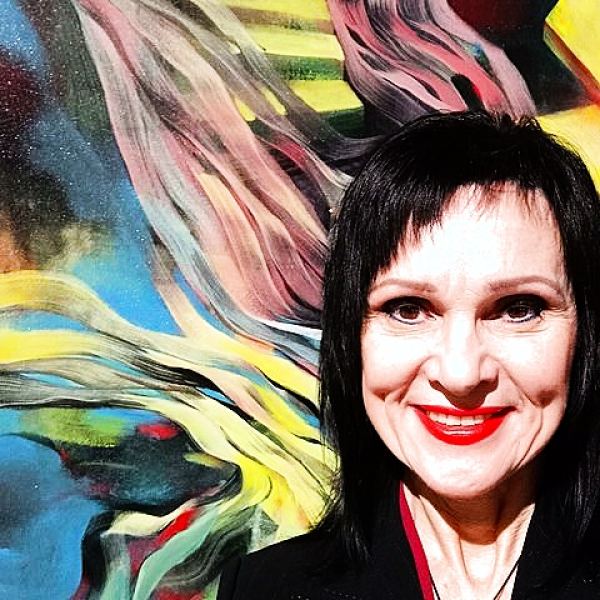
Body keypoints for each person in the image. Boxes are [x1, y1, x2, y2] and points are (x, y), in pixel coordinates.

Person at [216, 111, 600, 599]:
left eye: (518, 309)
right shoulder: (262, 589)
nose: (461, 373)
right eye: (408, 309)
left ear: (585, 334)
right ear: (352, 338)